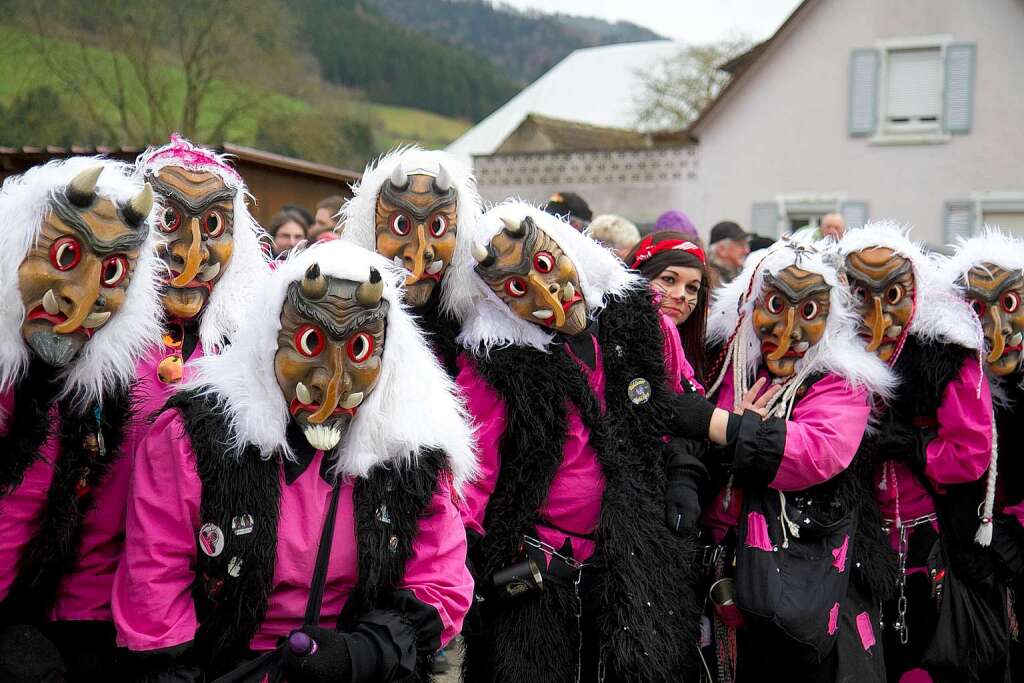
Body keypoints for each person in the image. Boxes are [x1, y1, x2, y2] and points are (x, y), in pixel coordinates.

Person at [113, 241, 477, 682]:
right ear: (270, 339)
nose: (332, 378)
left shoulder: (410, 453)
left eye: (359, 348)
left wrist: (359, 654)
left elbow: (440, 580)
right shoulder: (196, 436)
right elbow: (157, 577)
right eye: (310, 342)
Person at [446, 201, 703, 682]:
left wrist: (685, 472)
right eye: (518, 288)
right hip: (540, 574)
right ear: (499, 301)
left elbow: (676, 409)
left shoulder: (641, 323)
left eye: (545, 265)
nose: (546, 292)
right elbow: (472, 477)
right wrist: (467, 575)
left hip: (628, 563)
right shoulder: (496, 365)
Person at [667, 240, 895, 681]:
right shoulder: (734, 363)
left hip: (802, 581)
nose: (787, 330)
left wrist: (724, 427)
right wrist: (686, 477)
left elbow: (818, 451)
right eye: (775, 305)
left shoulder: (839, 381)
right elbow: (690, 436)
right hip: (722, 571)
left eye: (808, 312)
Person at [0, 158, 162, 681]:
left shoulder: (101, 403)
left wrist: (66, 638)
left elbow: (93, 544)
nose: (84, 296)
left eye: (112, 272)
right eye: (66, 255)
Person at [838, 223, 1000, 682]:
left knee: (920, 655)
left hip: (926, 537)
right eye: (859, 296)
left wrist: (915, 446)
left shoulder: (944, 355)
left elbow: (970, 454)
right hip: (847, 535)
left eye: (892, 296)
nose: (877, 316)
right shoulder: (826, 354)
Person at [942, 229, 1024, 680]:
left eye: (1010, 305)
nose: (998, 330)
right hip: (972, 563)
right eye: (977, 310)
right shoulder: (952, 381)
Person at [340, 147, 482, 376]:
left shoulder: (477, 341)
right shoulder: (341, 328)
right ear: (370, 232)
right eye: (400, 226)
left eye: (438, 227)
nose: (421, 251)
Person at [626, 230, 709, 384]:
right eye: (669, 279)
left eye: (692, 288)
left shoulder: (699, 353)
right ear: (637, 278)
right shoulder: (608, 342)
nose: (681, 295)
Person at [707, 220, 750, 288]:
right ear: (722, 250)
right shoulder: (709, 281)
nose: (747, 251)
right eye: (740, 245)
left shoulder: (736, 276)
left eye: (746, 245)